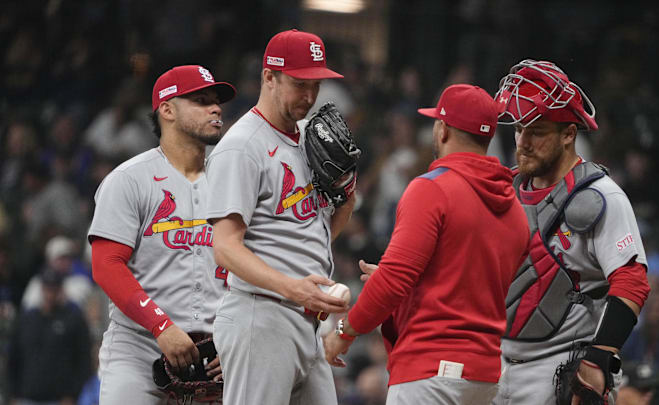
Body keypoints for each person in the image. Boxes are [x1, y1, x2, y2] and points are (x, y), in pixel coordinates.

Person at [323, 84, 530, 405]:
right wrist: (411, 280)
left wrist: (343, 333)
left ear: (443, 129)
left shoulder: (431, 189)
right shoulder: (514, 208)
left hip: (432, 371)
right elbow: (467, 282)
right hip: (485, 376)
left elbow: (394, 280)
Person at [205, 29, 354, 405]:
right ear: (268, 77)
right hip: (262, 312)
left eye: (315, 85)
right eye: (299, 84)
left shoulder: (309, 138)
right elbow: (224, 248)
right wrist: (292, 286)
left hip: (307, 321)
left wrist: (346, 196)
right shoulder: (241, 147)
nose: (309, 96)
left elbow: (312, 228)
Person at [490, 59, 651, 405]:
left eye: (537, 131)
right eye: (519, 129)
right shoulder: (505, 190)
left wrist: (599, 358)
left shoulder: (601, 196)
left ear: (568, 134)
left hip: (560, 368)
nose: (523, 141)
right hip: (496, 363)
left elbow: (632, 280)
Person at [87, 65, 236, 404]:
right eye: (201, 100)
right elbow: (107, 264)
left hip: (218, 352)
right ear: (167, 109)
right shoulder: (129, 179)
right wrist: (160, 326)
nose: (216, 108)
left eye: (216, 101)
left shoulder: (234, 178)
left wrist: (240, 340)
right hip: (140, 347)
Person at [8, 270, 92, 404]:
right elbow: (14, 358)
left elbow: (84, 360)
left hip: (59, 399)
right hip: (26, 397)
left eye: (54, 289)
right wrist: (12, 394)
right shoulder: (26, 319)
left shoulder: (73, 320)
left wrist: (73, 394)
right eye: (47, 288)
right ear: (41, 289)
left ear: (61, 290)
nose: (50, 294)